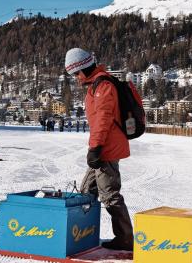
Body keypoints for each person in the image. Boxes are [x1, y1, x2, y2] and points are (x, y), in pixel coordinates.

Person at [65, 48, 133, 251]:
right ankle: (83, 233)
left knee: (110, 195)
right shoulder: (96, 85)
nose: (76, 78)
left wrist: (95, 148)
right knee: (86, 192)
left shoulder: (103, 85)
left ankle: (126, 238)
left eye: (76, 73)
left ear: (83, 68)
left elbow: (102, 121)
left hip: (106, 148)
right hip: (103, 147)